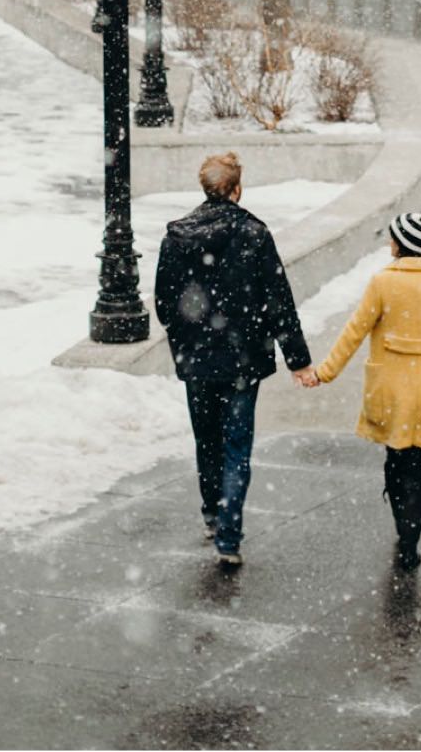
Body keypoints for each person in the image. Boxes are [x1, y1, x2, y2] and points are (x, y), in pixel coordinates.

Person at [154, 150, 319, 568]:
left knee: (205, 438)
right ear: (237, 189)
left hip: (197, 359)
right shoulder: (253, 234)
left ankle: (212, 513)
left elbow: (164, 301)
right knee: (236, 445)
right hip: (243, 360)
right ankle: (229, 535)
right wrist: (297, 358)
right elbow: (278, 299)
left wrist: (187, 336)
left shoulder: (177, 236)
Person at [313, 211, 421, 572]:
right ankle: (412, 538)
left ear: (401, 244)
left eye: (392, 238)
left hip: (392, 389)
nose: (388, 243)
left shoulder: (383, 283)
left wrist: (325, 372)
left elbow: (354, 331)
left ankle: (402, 523)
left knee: (396, 461)